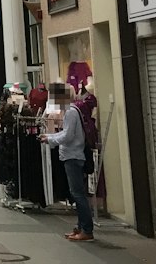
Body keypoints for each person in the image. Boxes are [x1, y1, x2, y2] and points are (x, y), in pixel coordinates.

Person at [42, 92, 93, 242]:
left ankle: (86, 229)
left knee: (78, 194)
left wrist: (50, 140)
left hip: (73, 156)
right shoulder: (72, 111)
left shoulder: (70, 112)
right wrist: (50, 137)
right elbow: (66, 133)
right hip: (72, 155)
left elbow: (68, 136)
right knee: (77, 193)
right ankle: (81, 227)